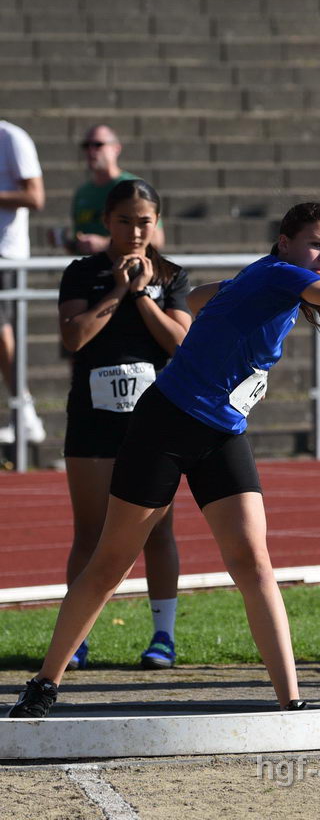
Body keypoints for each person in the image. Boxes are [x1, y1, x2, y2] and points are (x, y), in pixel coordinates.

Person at [8, 201, 320, 718]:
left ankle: (291, 701)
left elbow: (196, 297)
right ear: (284, 243)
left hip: (223, 433)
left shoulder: (270, 278)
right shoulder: (279, 273)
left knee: (254, 561)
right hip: (165, 424)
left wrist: (232, 299)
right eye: (315, 244)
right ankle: (43, 684)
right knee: (111, 563)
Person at [59, 178, 191, 670]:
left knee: (157, 530)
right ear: (106, 221)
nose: (135, 231)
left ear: (157, 223)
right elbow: (74, 337)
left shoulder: (172, 275)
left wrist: (141, 296)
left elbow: (180, 342)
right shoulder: (82, 272)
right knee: (90, 532)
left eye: (144, 222)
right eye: (124, 221)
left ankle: (163, 637)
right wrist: (118, 287)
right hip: (93, 421)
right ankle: (76, 641)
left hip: (155, 419)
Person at [0, 119, 46, 445]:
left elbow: (35, 196)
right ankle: (23, 412)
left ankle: (24, 412)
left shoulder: (12, 137)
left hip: (6, 254)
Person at [68, 125, 164, 255]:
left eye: (98, 145)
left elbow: (156, 239)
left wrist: (104, 244)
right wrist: (69, 243)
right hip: (90, 266)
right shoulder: (82, 192)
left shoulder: (133, 187)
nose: (91, 150)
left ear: (116, 148)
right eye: (86, 145)